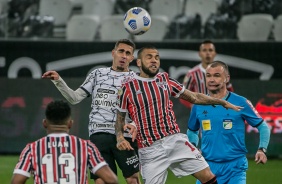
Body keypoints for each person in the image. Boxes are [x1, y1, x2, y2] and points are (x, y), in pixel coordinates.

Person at [115, 46, 242, 184]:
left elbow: (194, 97)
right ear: (139, 62)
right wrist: (120, 137)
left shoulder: (165, 80)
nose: (154, 61)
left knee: (208, 176)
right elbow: (120, 117)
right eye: (149, 57)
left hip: (175, 140)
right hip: (150, 149)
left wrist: (220, 102)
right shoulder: (127, 88)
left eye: (157, 57)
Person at [42, 39, 140, 184]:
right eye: (121, 51)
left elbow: (140, 110)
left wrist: (134, 124)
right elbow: (75, 98)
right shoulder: (98, 74)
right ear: (113, 53)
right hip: (98, 134)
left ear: (132, 58)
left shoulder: (135, 79)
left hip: (124, 136)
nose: (124, 56)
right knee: (101, 180)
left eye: (128, 53)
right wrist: (58, 81)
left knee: (132, 179)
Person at [187, 61, 270, 184]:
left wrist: (262, 149)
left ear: (227, 78)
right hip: (207, 167)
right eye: (208, 75)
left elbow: (263, 126)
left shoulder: (241, 102)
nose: (211, 79)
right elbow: (192, 130)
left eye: (216, 75)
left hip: (235, 168)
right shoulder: (198, 104)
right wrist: (194, 147)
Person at [11, 100, 118, 184]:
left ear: (44, 123)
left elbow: (16, 181)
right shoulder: (86, 147)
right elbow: (111, 179)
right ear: (70, 124)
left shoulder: (32, 149)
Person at [180, 40, 234, 108]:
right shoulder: (192, 74)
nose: (208, 53)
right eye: (204, 50)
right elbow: (183, 95)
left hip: (219, 110)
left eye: (210, 50)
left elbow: (229, 90)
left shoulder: (222, 72)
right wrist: (193, 107)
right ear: (200, 53)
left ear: (215, 53)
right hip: (202, 112)